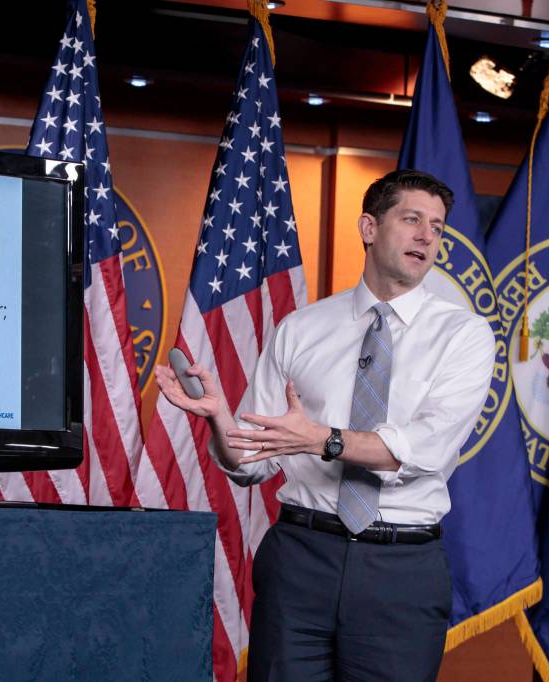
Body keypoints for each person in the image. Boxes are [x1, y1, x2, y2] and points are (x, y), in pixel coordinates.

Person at [156, 169, 494, 681]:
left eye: (437, 227)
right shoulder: (302, 329)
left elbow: (423, 448)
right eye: (412, 220)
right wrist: (220, 418)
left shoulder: (464, 336)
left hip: (400, 570)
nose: (427, 236)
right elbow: (249, 462)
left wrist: (322, 440)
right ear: (369, 228)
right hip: (301, 559)